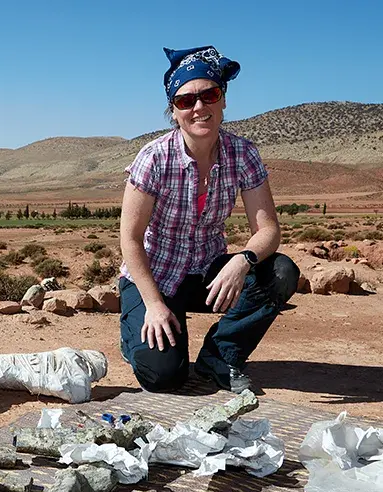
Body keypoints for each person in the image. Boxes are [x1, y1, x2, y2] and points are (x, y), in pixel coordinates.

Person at [119, 45, 299, 394]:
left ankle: (219, 356)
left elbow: (268, 230)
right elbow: (130, 238)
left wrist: (242, 262)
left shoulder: (242, 153)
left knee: (280, 271)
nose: (199, 107)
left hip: (207, 272)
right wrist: (153, 305)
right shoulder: (154, 158)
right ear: (174, 111)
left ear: (223, 100)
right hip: (155, 277)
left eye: (209, 95)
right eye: (186, 101)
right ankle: (137, 330)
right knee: (163, 376)